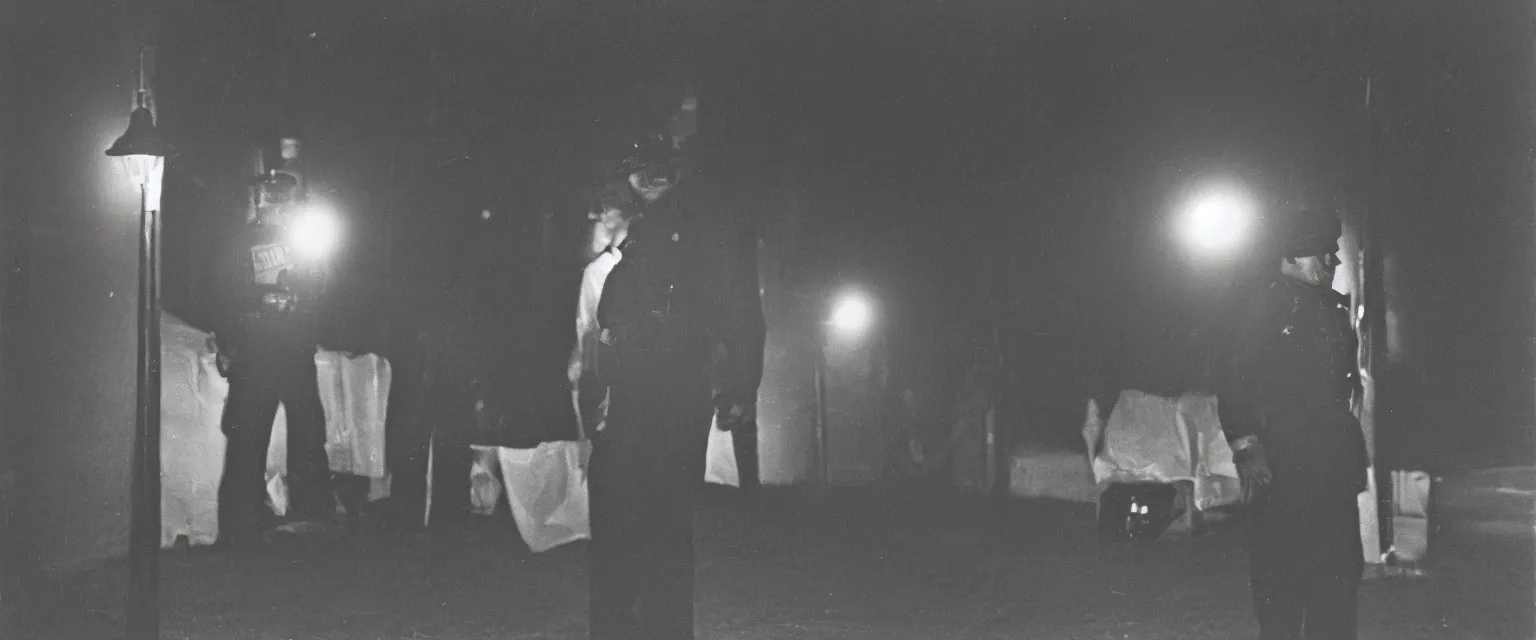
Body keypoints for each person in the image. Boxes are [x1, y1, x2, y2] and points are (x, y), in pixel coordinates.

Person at [584, 83, 766, 640]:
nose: (651, 181)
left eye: (660, 171)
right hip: (632, 392)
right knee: (616, 511)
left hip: (677, 389)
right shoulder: (634, 237)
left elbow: (741, 311)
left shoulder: (709, 230)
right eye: (641, 173)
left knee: (663, 519)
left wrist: (740, 387)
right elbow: (610, 313)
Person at [1217, 207, 1367, 640]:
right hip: (1281, 468)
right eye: (1324, 254)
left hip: (1332, 468)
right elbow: (1232, 380)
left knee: (1337, 581)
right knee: (1280, 584)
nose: (1333, 261)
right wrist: (1248, 449)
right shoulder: (1258, 310)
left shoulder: (1330, 310)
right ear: (1293, 257)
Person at [211, 170, 335, 547]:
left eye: (285, 199)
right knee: (248, 434)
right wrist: (233, 339)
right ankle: (240, 522)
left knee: (308, 428)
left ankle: (311, 512)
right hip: (256, 347)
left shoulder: (304, 242)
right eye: (273, 197)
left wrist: (306, 292)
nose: (279, 205)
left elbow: (321, 287)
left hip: (295, 345)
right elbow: (223, 293)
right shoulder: (242, 243)